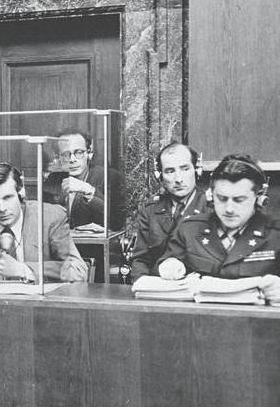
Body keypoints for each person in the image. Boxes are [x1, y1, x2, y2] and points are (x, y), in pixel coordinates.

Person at [158, 154, 280, 303]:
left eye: (239, 200)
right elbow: (163, 265)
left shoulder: (275, 235)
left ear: (259, 198)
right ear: (210, 196)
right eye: (222, 199)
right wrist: (169, 266)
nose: (229, 209)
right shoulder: (190, 229)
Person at [130, 142, 210, 280]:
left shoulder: (210, 208)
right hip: (158, 287)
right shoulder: (150, 211)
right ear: (160, 175)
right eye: (170, 171)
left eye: (185, 169)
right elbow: (140, 260)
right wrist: (142, 285)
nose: (178, 179)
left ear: (197, 170)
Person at [43, 128, 126, 230]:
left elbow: (116, 222)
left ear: (89, 153)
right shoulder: (53, 179)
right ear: (57, 157)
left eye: (78, 152)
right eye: (66, 154)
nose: (72, 160)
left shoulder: (110, 177)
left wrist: (89, 190)